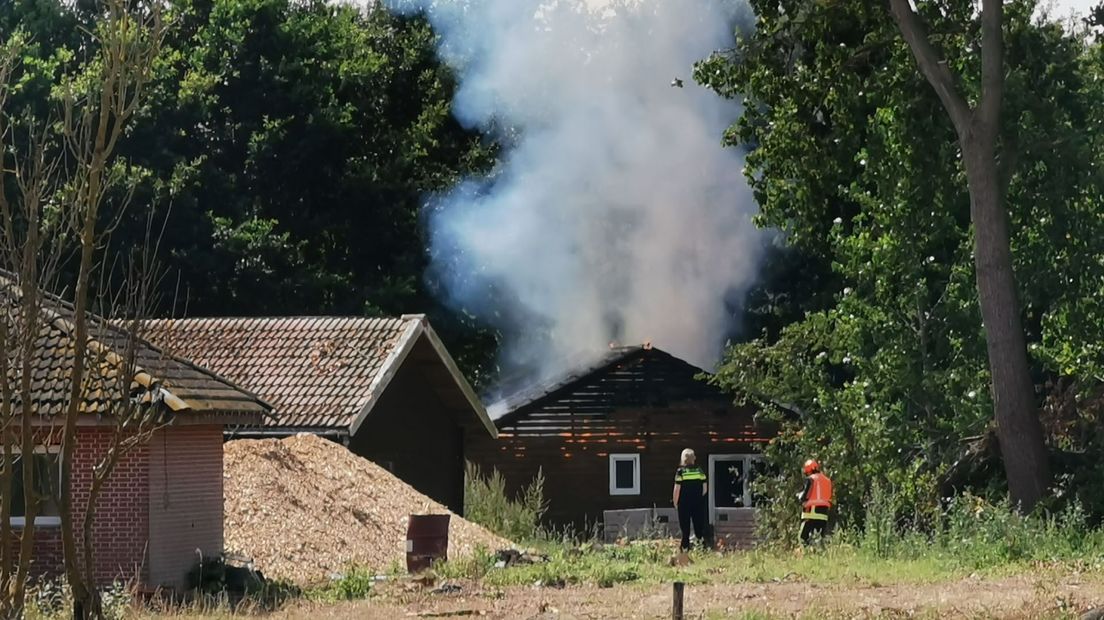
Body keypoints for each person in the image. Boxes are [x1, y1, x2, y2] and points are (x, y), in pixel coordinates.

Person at [672, 448, 708, 551]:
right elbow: (705, 488)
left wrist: (675, 502)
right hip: (698, 503)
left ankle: (685, 548)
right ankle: (701, 548)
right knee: (698, 527)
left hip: (684, 504)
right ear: (693, 458)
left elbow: (677, 489)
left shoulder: (681, 472)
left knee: (685, 529)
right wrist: (699, 498)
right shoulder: (699, 471)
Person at [798, 458, 833, 545]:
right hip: (824, 513)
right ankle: (819, 554)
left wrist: (800, 497)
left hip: (811, 512)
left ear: (808, 471)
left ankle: (807, 554)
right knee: (819, 538)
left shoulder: (810, 479)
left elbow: (805, 495)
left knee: (803, 537)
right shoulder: (827, 480)